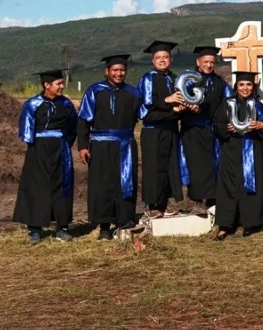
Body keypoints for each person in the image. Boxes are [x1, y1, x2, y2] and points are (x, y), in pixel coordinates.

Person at [78, 54, 145, 240]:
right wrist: (83, 146)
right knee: (102, 184)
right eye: (115, 70)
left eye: (122, 70)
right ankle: (105, 227)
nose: (119, 73)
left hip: (125, 145)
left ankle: (124, 222)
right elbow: (83, 120)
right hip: (100, 145)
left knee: (126, 182)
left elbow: (147, 115)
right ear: (107, 71)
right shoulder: (94, 91)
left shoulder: (133, 93)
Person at [14, 69, 77, 244]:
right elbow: (26, 132)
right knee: (37, 186)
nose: (62, 86)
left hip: (61, 149)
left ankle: (62, 228)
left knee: (62, 185)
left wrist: (63, 141)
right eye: (59, 83)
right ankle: (35, 229)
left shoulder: (66, 104)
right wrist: (40, 144)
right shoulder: (32, 104)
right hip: (38, 149)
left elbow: (73, 127)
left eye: (62, 83)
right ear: (46, 85)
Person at [212, 72, 263, 240]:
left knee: (251, 187)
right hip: (231, 152)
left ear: (253, 87)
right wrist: (226, 128)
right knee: (228, 188)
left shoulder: (258, 106)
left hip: (252, 152)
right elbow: (216, 126)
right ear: (236, 87)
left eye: (248, 85)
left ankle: (250, 223)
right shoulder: (226, 104)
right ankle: (225, 226)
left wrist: (262, 125)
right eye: (241, 85)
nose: (245, 88)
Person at [178, 46, 233, 215]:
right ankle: (195, 199)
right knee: (195, 165)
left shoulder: (219, 83)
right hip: (192, 129)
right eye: (205, 62)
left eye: (211, 62)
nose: (208, 65)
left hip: (212, 129)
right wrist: (188, 107)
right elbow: (179, 99)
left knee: (213, 164)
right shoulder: (188, 80)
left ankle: (212, 199)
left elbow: (227, 103)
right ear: (198, 62)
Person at [138, 40, 185, 218]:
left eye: (165, 57)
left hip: (171, 128)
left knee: (170, 165)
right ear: (153, 60)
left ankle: (167, 201)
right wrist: (167, 101)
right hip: (153, 129)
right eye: (158, 57)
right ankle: (152, 204)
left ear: (170, 59)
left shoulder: (175, 79)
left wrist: (182, 107)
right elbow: (145, 105)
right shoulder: (148, 78)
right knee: (153, 166)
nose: (162, 60)